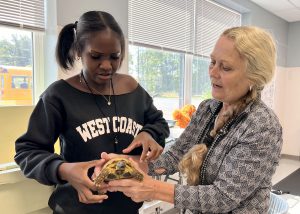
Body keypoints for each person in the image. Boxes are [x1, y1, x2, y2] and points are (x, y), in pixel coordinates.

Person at [101, 26, 283, 213]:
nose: (213, 72)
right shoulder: (208, 108)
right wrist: (132, 164)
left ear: (254, 76)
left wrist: (152, 188)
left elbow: (222, 198)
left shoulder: (262, 126)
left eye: (225, 67)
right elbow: (176, 154)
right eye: (212, 62)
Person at [14, 11, 169, 214]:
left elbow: (159, 123)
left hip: (127, 207)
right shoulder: (58, 96)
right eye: (95, 56)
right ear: (79, 51)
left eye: (115, 57)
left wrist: (149, 134)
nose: (107, 65)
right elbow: (27, 151)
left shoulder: (132, 88)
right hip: (77, 208)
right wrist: (64, 170)